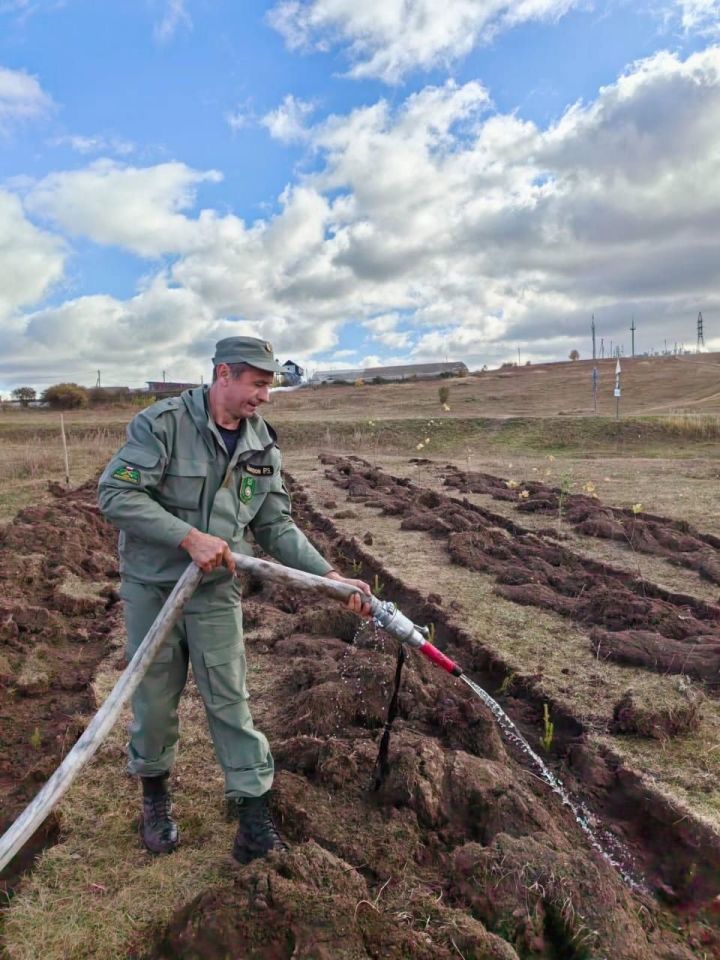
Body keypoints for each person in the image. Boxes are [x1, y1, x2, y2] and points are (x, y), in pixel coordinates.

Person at [98, 336, 371, 863]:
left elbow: (275, 525)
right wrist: (187, 536)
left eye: (270, 385)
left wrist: (331, 577)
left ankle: (252, 816)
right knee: (154, 701)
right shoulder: (162, 424)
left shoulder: (262, 446)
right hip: (154, 586)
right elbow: (117, 494)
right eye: (259, 383)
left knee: (230, 699)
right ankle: (154, 796)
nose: (265, 396)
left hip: (216, 590)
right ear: (224, 374)